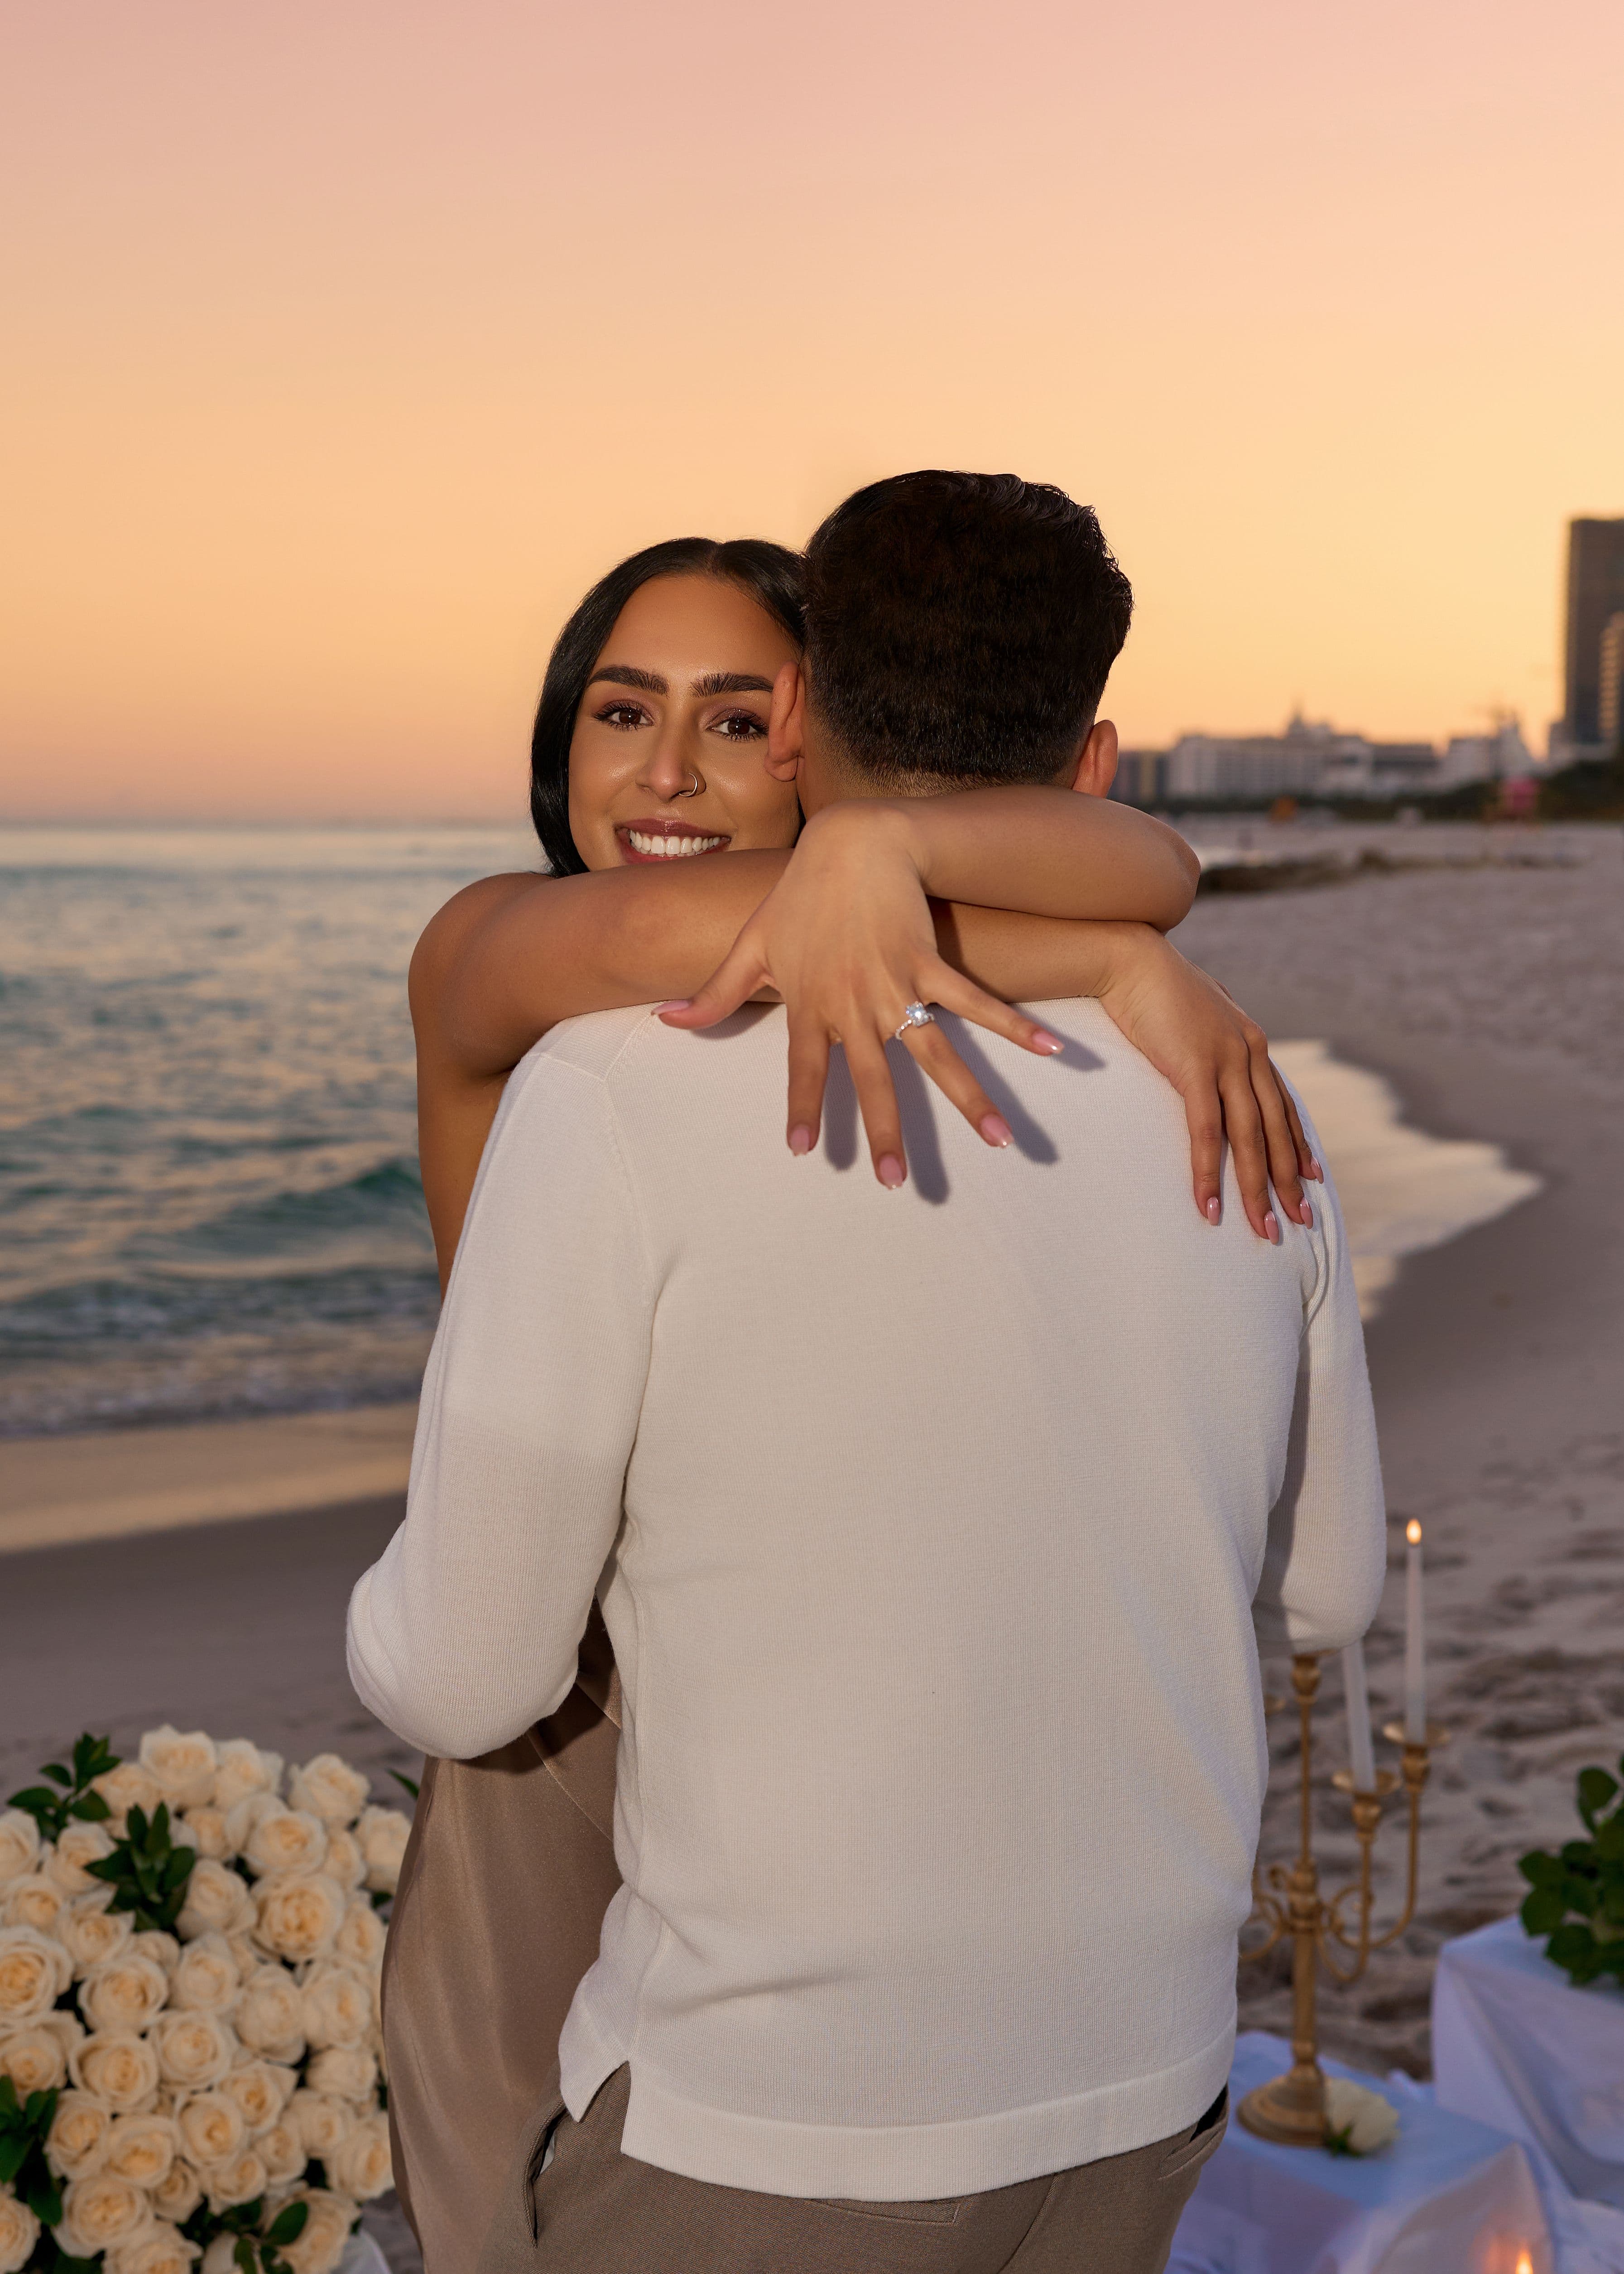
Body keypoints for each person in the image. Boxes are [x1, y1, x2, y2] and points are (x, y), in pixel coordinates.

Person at [351, 472, 1384, 2273]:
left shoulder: (657, 1070)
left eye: (735, 716)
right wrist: (1109, 968)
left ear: (807, 736)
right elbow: (1139, 863)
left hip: (738, 1742)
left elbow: (1144, 859)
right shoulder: (508, 962)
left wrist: (939, 889)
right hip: (559, 1742)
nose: (668, 772)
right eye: (618, 708)